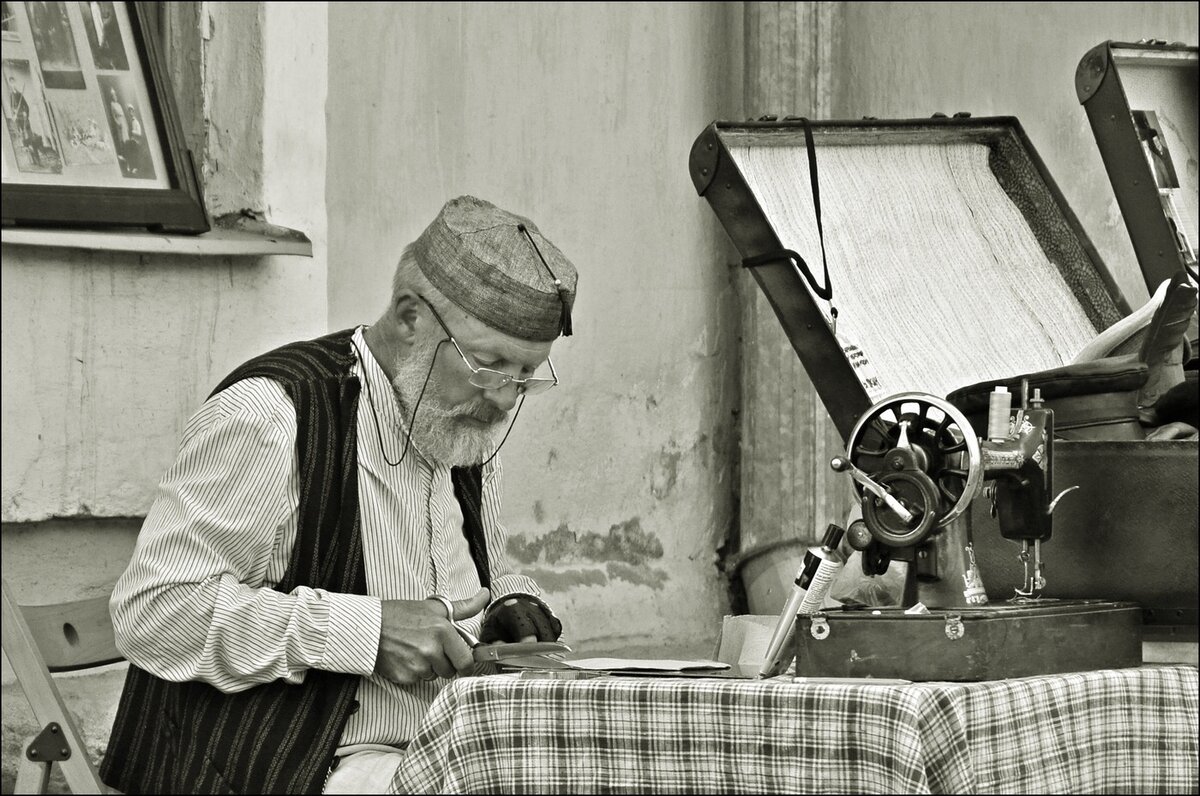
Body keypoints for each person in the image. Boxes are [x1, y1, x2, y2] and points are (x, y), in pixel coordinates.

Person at [101, 195, 579, 794]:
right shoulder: (273, 415)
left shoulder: (465, 421)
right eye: (489, 365)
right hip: (285, 764)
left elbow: (474, 575)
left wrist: (509, 605)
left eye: (526, 376)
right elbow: (153, 611)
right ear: (410, 318)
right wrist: (364, 633)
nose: (507, 399)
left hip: (439, 747)